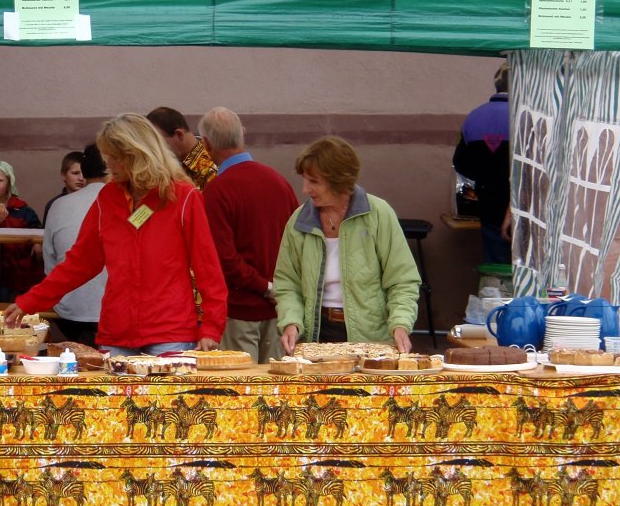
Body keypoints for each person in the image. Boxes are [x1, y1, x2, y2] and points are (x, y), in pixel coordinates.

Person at [4, 113, 228, 356]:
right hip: (117, 333)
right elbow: (79, 262)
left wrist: (211, 327)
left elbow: (208, 269)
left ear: (137, 156)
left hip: (170, 333)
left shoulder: (184, 197)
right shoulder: (107, 198)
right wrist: (30, 301)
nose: (107, 165)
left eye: (114, 158)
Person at [274, 136, 421, 355]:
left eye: (313, 181)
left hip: (372, 341)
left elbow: (402, 280)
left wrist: (400, 324)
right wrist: (291, 322)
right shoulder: (298, 221)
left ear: (338, 181)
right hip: (315, 337)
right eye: (305, 179)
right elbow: (287, 283)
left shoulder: (379, 214)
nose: (305, 189)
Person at [199, 107, 298, 363]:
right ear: (242, 136)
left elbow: (224, 259)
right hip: (280, 311)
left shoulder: (216, 192)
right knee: (277, 393)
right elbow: (297, 243)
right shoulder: (278, 181)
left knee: (241, 392)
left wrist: (265, 288)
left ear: (207, 146)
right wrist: (278, 290)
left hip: (240, 310)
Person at [43, 153, 108, 345]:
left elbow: (49, 265)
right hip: (114, 313)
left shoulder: (58, 205)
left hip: (68, 309)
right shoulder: (126, 203)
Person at [453, 61, 512, 264]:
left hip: (488, 198)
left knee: (495, 263)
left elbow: (460, 163)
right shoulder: (524, 116)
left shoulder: (473, 117)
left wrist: (484, 178)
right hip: (522, 201)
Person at [0, 161, 45, 300]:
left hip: (21, 268)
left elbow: (37, 227)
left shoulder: (22, 209)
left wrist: (37, 243)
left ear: (9, 184)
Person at [146, 106, 217, 190]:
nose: (156, 150)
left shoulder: (210, 170)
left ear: (179, 134)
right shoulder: (178, 164)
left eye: (160, 143)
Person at [42, 151, 87, 224]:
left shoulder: (95, 203)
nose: (81, 178)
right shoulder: (54, 205)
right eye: (75, 173)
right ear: (63, 175)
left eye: (85, 173)